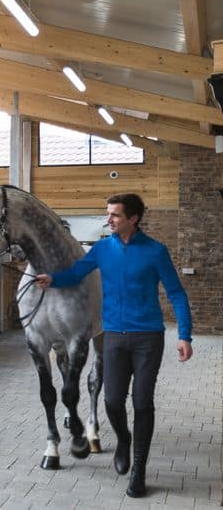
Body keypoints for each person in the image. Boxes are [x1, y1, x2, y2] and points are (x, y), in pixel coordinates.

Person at [35, 193, 192, 498]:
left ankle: (139, 470)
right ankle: (123, 439)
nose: (108, 220)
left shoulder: (156, 252)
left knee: (143, 403)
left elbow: (176, 293)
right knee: (112, 402)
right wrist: (50, 279)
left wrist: (184, 335)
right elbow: (76, 274)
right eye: (108, 214)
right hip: (114, 338)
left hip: (148, 338)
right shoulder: (102, 249)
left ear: (133, 219)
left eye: (115, 215)